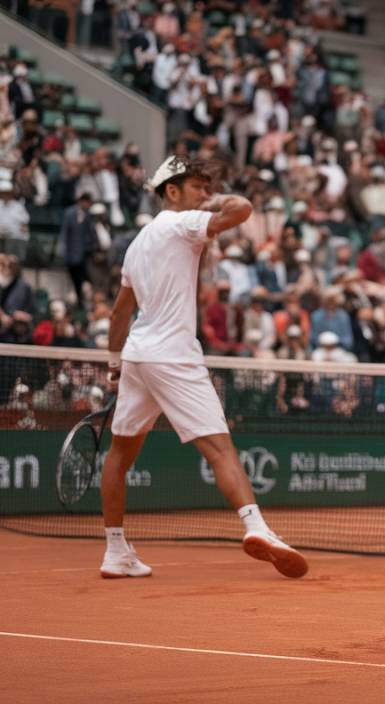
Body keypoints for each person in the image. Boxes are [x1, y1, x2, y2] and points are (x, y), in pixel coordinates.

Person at [101, 156, 307, 580]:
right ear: (171, 192)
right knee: (219, 449)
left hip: (139, 355)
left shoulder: (138, 242)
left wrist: (114, 362)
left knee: (120, 457)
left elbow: (121, 312)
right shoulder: (180, 223)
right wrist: (216, 200)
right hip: (173, 356)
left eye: (205, 187)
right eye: (196, 186)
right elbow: (244, 209)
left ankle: (115, 550)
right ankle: (256, 527)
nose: (203, 194)